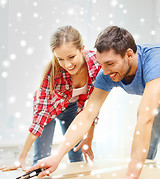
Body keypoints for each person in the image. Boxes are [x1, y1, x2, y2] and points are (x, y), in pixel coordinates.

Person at [25, 26, 160, 179]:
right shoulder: (106, 73)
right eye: (101, 64)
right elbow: (87, 114)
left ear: (128, 55)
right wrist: (57, 156)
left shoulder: (154, 61)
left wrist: (132, 176)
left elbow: (145, 119)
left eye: (110, 64)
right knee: (147, 157)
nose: (104, 71)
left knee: (147, 120)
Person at [1, 25, 101, 171]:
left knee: (76, 155)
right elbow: (39, 118)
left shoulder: (95, 64)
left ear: (82, 48)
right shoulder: (52, 74)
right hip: (50, 110)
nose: (67, 64)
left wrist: (89, 137)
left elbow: (93, 107)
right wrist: (21, 157)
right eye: (60, 58)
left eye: (71, 57)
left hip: (73, 110)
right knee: (41, 159)